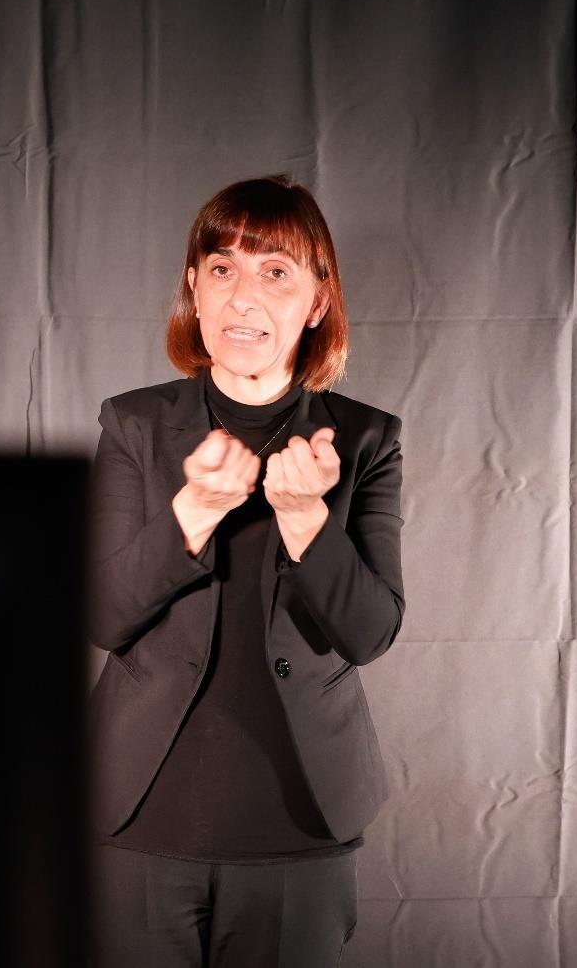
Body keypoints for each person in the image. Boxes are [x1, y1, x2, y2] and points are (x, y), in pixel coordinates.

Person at [87, 175, 405, 967]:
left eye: (275, 273)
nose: (243, 297)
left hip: (300, 826)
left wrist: (306, 521)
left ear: (317, 301)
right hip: (142, 818)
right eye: (222, 268)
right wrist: (193, 510)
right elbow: (102, 616)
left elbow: (369, 633)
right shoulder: (132, 423)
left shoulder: (366, 439)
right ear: (193, 289)